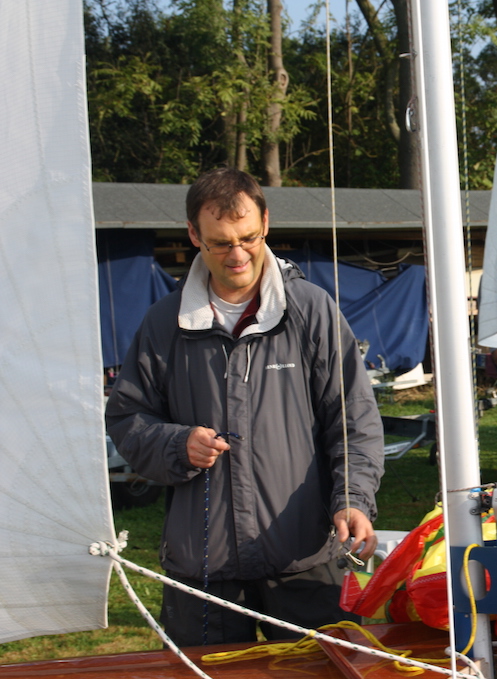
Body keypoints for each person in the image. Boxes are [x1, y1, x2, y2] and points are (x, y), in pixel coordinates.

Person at [105, 167, 385, 646]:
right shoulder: (163, 323)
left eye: (248, 238)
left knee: (319, 678)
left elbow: (353, 420)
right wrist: (175, 444)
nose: (237, 255)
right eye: (220, 243)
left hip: (303, 559)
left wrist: (352, 499)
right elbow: (127, 418)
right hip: (202, 569)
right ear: (194, 235)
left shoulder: (311, 310)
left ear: (266, 224)